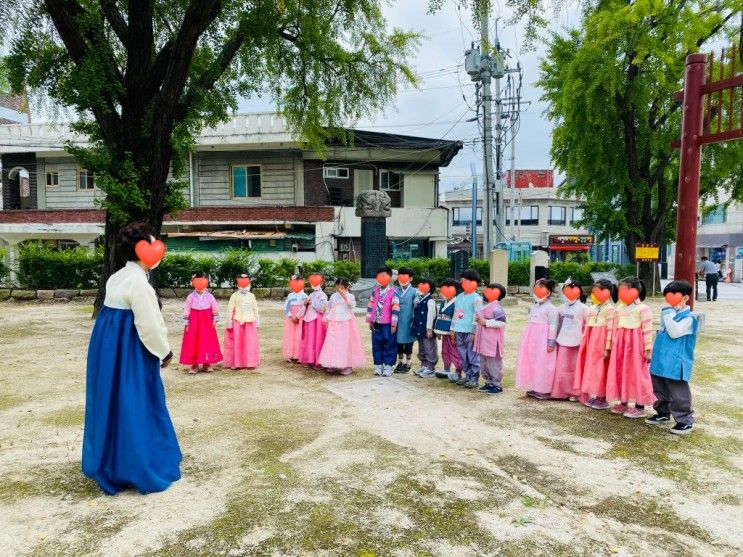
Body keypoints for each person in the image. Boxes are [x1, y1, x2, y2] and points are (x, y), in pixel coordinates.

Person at [83, 222, 181, 495]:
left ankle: (113, 461)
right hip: (131, 353)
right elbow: (149, 326)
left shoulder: (116, 278)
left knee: (115, 404)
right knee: (139, 403)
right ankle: (140, 465)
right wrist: (165, 351)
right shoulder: (139, 284)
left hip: (109, 353)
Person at [646, 280, 698, 435]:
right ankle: (662, 413)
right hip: (661, 360)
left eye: (674, 296)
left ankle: (684, 421)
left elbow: (674, 332)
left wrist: (668, 313)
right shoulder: (669, 314)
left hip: (676, 361)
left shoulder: (689, 319)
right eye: (668, 296)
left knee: (678, 392)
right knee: (659, 388)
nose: (670, 300)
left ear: (685, 298)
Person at [606, 276, 656, 418]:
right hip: (620, 344)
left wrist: (648, 350)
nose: (620, 294)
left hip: (636, 345)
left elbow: (647, 330)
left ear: (635, 291)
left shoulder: (643, 309)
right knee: (621, 371)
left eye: (623, 290)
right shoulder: (619, 308)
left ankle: (639, 406)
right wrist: (611, 344)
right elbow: (614, 327)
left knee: (637, 373)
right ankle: (623, 402)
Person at [573, 279, 618, 409]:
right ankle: (594, 394)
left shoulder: (610, 310)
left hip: (601, 343)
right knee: (592, 369)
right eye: (593, 291)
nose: (594, 294)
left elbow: (611, 330)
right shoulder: (592, 308)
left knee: (601, 370)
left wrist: (608, 347)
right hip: (591, 342)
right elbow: (587, 326)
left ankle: (602, 396)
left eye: (596, 291)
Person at [515, 278, 559, 399]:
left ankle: (544, 389)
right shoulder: (534, 307)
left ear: (548, 292)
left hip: (543, 339)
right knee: (532, 361)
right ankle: (534, 386)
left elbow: (553, 326)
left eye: (540, 289)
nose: (536, 292)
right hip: (532, 338)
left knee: (543, 363)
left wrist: (551, 342)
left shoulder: (551, 309)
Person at [318, 277, 366, 375]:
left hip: (346, 321)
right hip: (334, 321)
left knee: (345, 342)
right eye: (338, 287)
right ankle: (334, 363)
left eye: (342, 287)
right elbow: (328, 307)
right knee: (333, 341)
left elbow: (351, 306)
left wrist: (345, 297)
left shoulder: (350, 296)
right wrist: (326, 318)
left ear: (347, 287)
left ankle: (347, 365)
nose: (340, 289)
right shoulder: (333, 296)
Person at [551, 279, 588, 401]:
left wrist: (585, 340)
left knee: (576, 368)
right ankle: (562, 391)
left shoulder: (584, 308)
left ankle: (576, 392)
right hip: (563, 340)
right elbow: (556, 324)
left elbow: (587, 325)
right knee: (562, 367)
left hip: (578, 341)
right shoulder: (561, 308)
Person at [179, 272, 223, 374]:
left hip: (207, 321)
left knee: (207, 341)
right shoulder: (190, 297)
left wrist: (214, 320)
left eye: (202, 280)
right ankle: (194, 364)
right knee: (194, 341)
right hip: (194, 321)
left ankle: (207, 363)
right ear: (194, 282)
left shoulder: (210, 296)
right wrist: (187, 324)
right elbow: (186, 310)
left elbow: (215, 309)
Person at [451, 269, 483, 388]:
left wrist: (474, 332)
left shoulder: (477, 299)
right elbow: (457, 313)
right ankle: (467, 375)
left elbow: (477, 316)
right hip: (459, 330)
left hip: (470, 331)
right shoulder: (459, 297)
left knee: (472, 355)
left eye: (465, 280)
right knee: (462, 354)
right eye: (462, 281)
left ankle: (474, 378)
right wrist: (453, 329)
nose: (462, 282)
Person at [473, 283, 507, 394]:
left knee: (493, 362)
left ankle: (497, 384)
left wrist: (486, 322)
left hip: (492, 340)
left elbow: (502, 322)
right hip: (483, 338)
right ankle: (488, 382)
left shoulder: (497, 308)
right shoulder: (485, 305)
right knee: (484, 361)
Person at [366, 266, 400, 377]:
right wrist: (370, 320)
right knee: (376, 344)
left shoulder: (393, 292)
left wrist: (394, 323)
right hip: (376, 323)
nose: (381, 278)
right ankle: (378, 365)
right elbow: (370, 306)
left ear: (390, 278)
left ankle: (388, 365)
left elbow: (395, 308)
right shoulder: (375, 292)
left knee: (390, 344)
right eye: (379, 276)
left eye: (384, 276)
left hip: (388, 324)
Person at [223, 274, 260, 370]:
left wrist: (257, 320)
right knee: (238, 343)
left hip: (250, 322)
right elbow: (230, 309)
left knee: (250, 343)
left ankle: (250, 362)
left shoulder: (252, 296)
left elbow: (255, 309)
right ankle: (237, 362)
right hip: (237, 322)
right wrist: (229, 321)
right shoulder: (234, 295)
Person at [434, 279, 463, 380]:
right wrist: (438, 330)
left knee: (453, 351)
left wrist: (453, 330)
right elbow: (440, 316)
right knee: (444, 351)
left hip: (452, 332)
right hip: (444, 331)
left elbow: (457, 317)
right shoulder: (443, 302)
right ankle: (446, 369)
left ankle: (458, 371)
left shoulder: (457, 303)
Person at [299, 273, 328, 369]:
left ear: (321, 282)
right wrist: (305, 303)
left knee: (317, 338)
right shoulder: (310, 294)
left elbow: (323, 308)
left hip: (317, 320)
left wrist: (313, 303)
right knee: (309, 338)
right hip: (309, 319)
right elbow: (305, 306)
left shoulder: (323, 295)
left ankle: (317, 360)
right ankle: (310, 359)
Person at [411, 278, 438, 378]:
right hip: (419, 328)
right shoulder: (420, 299)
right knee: (421, 347)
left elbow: (431, 315)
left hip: (427, 329)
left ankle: (431, 368)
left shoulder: (430, 301)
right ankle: (424, 364)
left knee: (429, 347)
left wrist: (429, 329)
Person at [394, 267, 416, 373]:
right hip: (397, 321)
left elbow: (417, 306)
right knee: (398, 342)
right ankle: (400, 361)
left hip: (409, 321)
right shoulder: (395, 290)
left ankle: (409, 362)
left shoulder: (415, 292)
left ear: (410, 279)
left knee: (408, 342)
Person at [282, 276, 307, 362]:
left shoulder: (304, 295)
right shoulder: (290, 295)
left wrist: (297, 316)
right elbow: (286, 306)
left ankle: (298, 355)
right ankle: (290, 354)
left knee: (298, 335)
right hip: (290, 317)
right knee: (290, 335)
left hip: (299, 317)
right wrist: (290, 315)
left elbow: (304, 307)